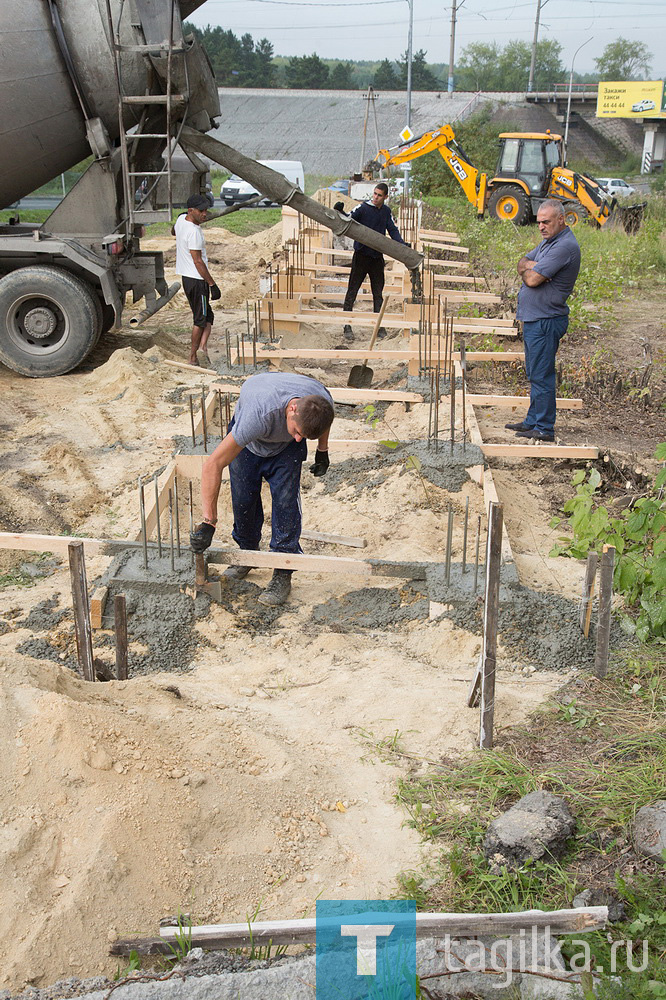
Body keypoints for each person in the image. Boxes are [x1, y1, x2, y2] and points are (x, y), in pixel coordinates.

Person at [190, 373, 335, 607]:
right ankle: (246, 554)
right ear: (292, 410)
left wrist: (322, 450)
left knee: (286, 502)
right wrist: (209, 522)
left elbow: (322, 422)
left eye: (305, 437)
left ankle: (282, 571)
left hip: (284, 452)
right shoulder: (258, 416)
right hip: (249, 447)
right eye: (298, 431)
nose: (299, 439)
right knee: (243, 500)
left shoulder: (322, 403)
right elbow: (213, 464)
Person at [510, 199, 581, 442]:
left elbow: (531, 280)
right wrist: (532, 265)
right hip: (535, 319)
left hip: (545, 319)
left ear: (561, 219)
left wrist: (532, 271)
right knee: (534, 372)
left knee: (542, 375)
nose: (541, 226)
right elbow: (521, 263)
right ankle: (532, 420)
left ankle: (544, 427)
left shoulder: (564, 247)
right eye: (539, 222)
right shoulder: (548, 243)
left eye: (546, 222)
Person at [342, 182, 406, 342]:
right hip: (361, 255)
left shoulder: (386, 211)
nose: (375, 197)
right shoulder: (363, 208)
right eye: (375, 194)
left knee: (378, 294)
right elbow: (348, 219)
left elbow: (392, 229)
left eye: (379, 195)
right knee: (352, 291)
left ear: (385, 197)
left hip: (377, 258)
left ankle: (379, 327)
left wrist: (401, 244)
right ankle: (346, 325)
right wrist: (339, 212)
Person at [174, 194, 221, 366]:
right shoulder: (193, 232)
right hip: (196, 280)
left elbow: (173, 230)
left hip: (189, 278)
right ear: (191, 211)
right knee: (200, 319)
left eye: (206, 210)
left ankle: (203, 349)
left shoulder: (181, 220)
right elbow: (198, 261)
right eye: (201, 211)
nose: (204, 214)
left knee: (208, 316)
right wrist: (212, 284)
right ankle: (193, 357)